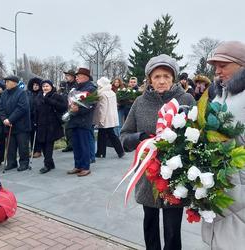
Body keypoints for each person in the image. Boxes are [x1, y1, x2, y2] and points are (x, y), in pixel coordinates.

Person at [121, 54, 195, 250]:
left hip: (176, 177)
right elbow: (124, 136)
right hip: (148, 176)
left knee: (172, 230)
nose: (162, 80)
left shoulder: (186, 99)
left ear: (174, 78)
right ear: (149, 79)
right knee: (150, 225)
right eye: (157, 76)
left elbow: (198, 134)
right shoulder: (139, 102)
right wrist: (140, 138)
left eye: (166, 76)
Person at [201, 41, 245, 250]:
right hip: (219, 185)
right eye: (215, 66)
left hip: (239, 189)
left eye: (223, 65)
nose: (217, 71)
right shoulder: (219, 94)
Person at [67, 68, 97, 177]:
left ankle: (85, 167)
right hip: (74, 120)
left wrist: (79, 109)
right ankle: (78, 165)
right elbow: (71, 100)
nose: (76, 77)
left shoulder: (91, 89)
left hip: (84, 121)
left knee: (84, 145)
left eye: (78, 76)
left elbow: (91, 105)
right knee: (76, 145)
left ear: (85, 77)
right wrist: (70, 107)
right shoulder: (75, 88)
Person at [34, 80, 67, 174]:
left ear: (51, 87)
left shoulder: (56, 96)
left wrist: (49, 101)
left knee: (49, 144)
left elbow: (63, 107)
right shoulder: (39, 96)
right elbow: (36, 110)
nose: (45, 88)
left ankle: (47, 164)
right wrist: (35, 121)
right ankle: (50, 162)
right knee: (43, 144)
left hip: (52, 125)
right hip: (41, 124)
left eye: (47, 86)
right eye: (43, 86)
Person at [0, 75, 31, 172]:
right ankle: (11, 162)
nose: (6, 84)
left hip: (21, 125)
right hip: (8, 125)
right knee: (10, 146)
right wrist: (4, 119)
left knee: (22, 146)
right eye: (5, 82)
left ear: (14, 83)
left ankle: (24, 163)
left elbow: (22, 108)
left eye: (8, 82)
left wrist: (10, 120)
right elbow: (1, 108)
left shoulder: (22, 93)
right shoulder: (4, 94)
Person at [93, 77, 124, 158]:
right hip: (112, 117)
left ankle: (101, 153)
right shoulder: (112, 92)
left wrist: (101, 120)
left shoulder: (102, 94)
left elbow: (102, 108)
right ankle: (119, 151)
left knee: (103, 135)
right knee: (110, 134)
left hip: (105, 117)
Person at [59, 70, 77, 153]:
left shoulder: (76, 85)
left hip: (74, 108)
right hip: (66, 108)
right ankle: (70, 145)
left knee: (71, 127)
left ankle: (73, 144)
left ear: (73, 76)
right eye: (66, 75)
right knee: (67, 128)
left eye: (68, 75)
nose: (66, 77)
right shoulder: (66, 85)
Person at [27, 77, 43, 158]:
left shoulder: (41, 94)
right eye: (34, 85)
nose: (35, 86)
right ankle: (33, 150)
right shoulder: (29, 94)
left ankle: (38, 150)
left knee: (38, 134)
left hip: (39, 117)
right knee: (32, 134)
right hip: (31, 117)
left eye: (37, 85)